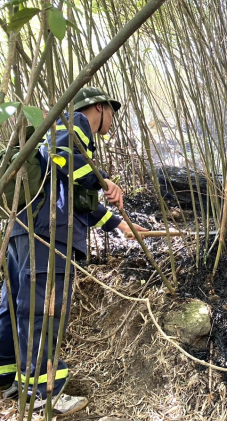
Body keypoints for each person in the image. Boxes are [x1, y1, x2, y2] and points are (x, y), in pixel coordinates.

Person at [0, 86, 147, 416]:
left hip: (24, 230)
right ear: (100, 108)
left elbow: (76, 197)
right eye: (112, 113)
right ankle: (39, 392)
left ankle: (9, 375)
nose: (112, 121)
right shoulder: (75, 121)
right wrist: (104, 180)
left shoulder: (65, 144)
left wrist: (117, 224)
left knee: (15, 304)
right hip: (50, 234)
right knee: (43, 310)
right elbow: (62, 151)